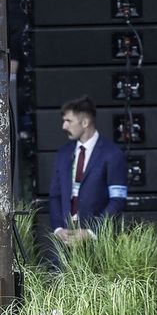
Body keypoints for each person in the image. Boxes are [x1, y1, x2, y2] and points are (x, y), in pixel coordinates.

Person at [46, 96, 128, 249]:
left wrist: (90, 232)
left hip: (99, 246)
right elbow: (55, 196)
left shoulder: (112, 154)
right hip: (66, 245)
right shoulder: (63, 154)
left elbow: (117, 200)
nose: (64, 126)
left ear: (85, 122)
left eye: (68, 121)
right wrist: (58, 229)